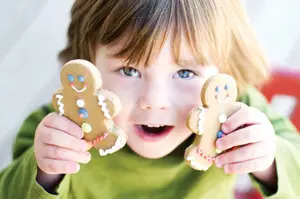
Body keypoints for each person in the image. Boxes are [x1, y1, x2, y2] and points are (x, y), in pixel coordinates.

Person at [1, 0, 300, 198]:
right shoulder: (62, 127)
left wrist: (268, 159)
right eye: (129, 70)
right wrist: (45, 174)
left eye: (185, 73)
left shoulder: (235, 115)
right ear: (89, 65)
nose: (153, 101)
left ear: (226, 71)